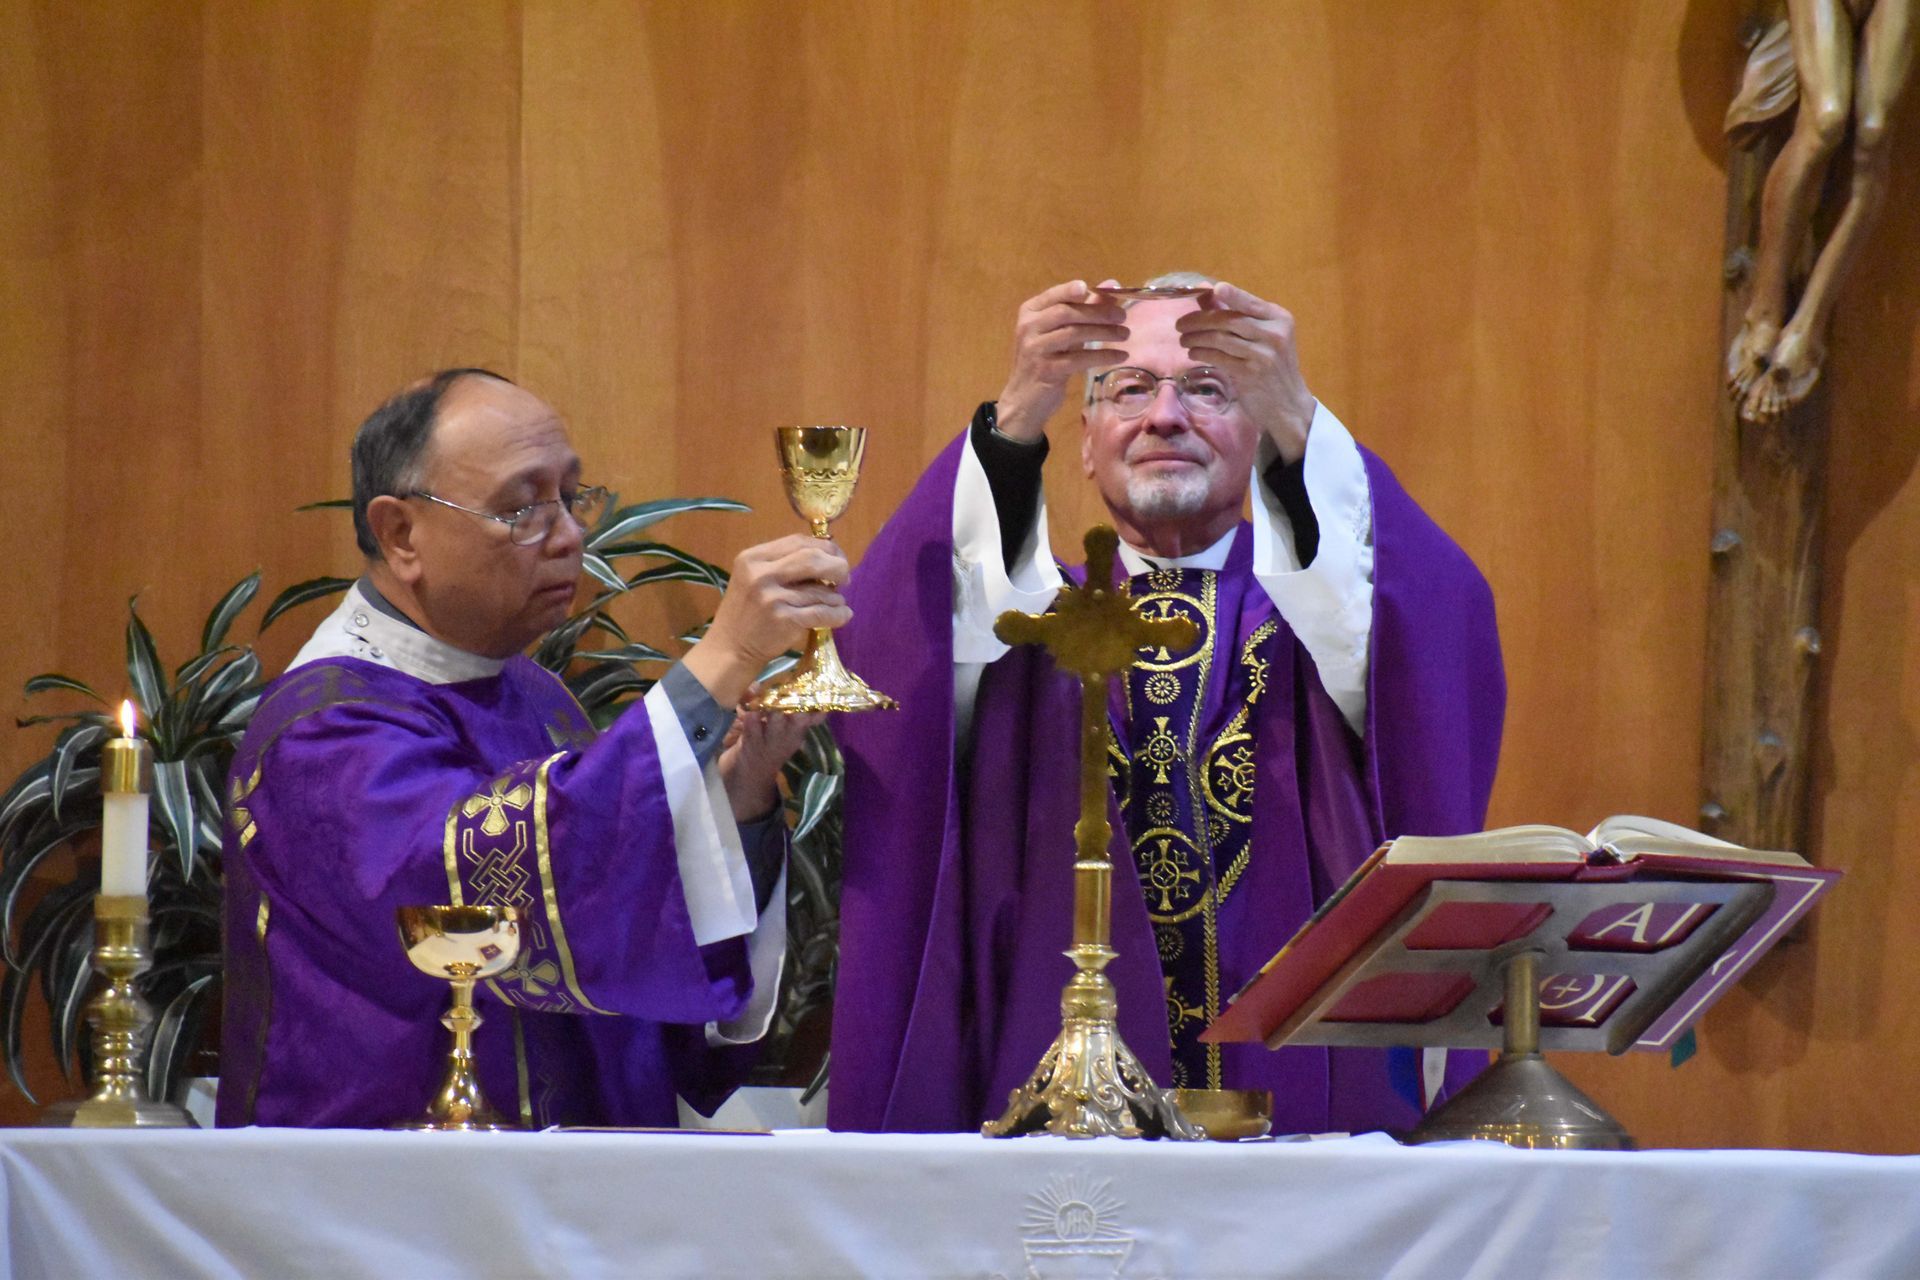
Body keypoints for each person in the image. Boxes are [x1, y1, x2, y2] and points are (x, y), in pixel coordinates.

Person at [829, 276, 1506, 1135]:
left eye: (1209, 389)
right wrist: (1016, 414)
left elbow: (1439, 643)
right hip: (1052, 1108)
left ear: (1258, 436)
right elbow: (895, 648)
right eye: (1129, 390)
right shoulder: (1025, 619)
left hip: (1297, 1108)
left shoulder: (1319, 610)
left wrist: (1298, 414)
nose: (1165, 417)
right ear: (1083, 444)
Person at [217, 367, 848, 1128]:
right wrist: (723, 659)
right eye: (521, 509)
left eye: (571, 497)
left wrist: (738, 795)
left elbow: (611, 923)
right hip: (392, 1181)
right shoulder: (321, 731)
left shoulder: (535, 697)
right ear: (401, 534)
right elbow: (485, 888)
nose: (571, 536)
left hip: (568, 1176)